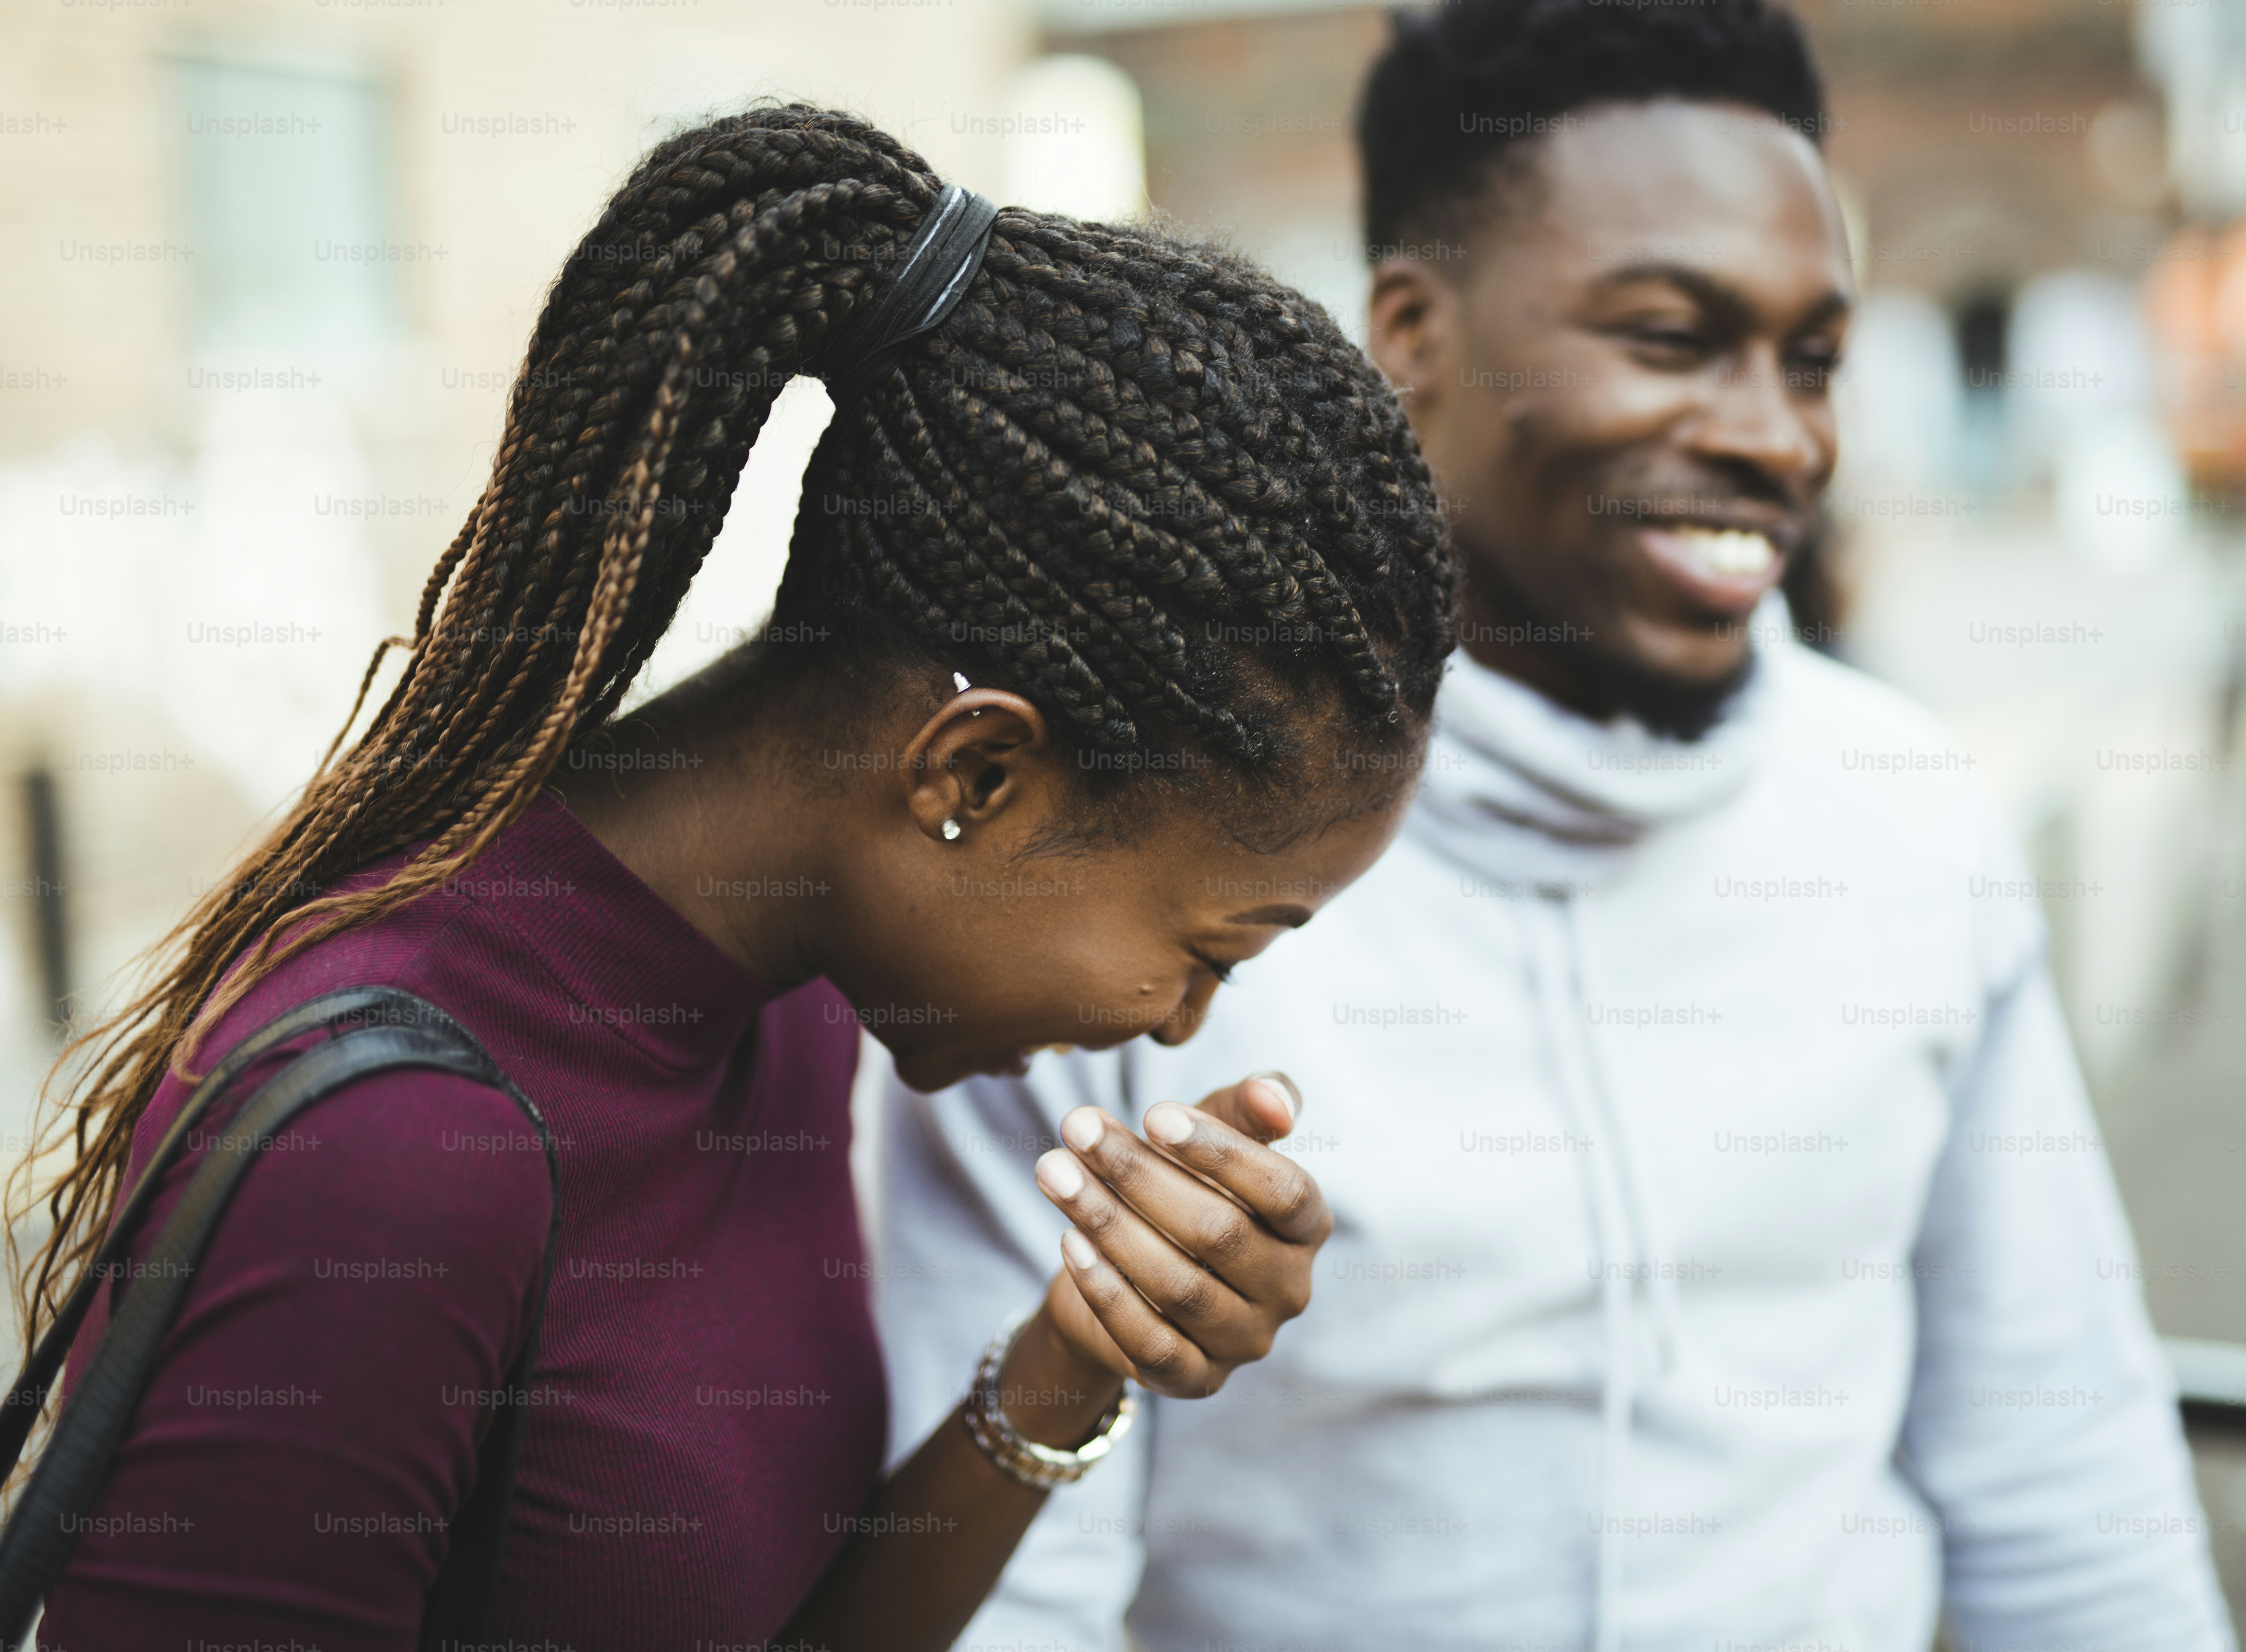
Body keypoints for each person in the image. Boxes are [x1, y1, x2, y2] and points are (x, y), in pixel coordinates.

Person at [874, 0, 2235, 1650]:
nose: (1770, 435)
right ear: (1410, 339)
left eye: (1812, 359)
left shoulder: (1910, 821)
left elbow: (2060, 1473)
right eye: (1670, 337)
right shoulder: (1129, 880)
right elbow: (1012, 1599)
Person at [11, 104, 1456, 1648]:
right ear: (972, 774)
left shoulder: (781, 1007)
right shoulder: (399, 1144)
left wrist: (1073, 1353)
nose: (1182, 1025)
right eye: (1212, 946)